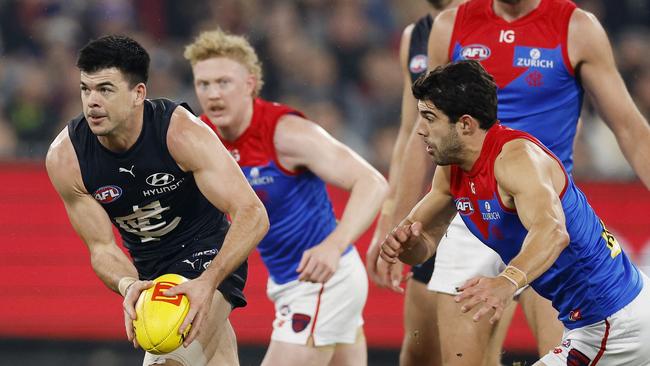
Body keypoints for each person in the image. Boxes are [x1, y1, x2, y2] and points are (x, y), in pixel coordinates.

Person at [382, 0, 650, 363]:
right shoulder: (452, 161)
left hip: (539, 201)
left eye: (429, 120)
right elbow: (422, 230)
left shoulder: (574, 27)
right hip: (483, 203)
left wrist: (507, 281)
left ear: (465, 123)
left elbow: (630, 130)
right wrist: (398, 234)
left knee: (568, 335)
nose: (423, 131)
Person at [46, 35, 270, 366]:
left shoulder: (180, 133)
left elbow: (253, 214)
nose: (92, 101)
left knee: (169, 357)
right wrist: (128, 285)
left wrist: (208, 283)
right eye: (85, 89)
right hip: (148, 268)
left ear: (138, 94)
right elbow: (102, 249)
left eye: (105, 89)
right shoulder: (67, 158)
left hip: (205, 251)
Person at [184, 29, 388, 366]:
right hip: (289, 283)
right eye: (203, 84)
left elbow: (373, 182)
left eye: (223, 82)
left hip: (323, 281)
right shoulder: (201, 139)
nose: (213, 94)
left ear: (250, 84)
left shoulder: (285, 132)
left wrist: (334, 245)